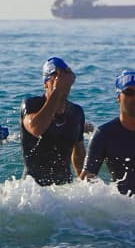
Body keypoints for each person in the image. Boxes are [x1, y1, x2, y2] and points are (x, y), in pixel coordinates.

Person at [20, 57, 87, 185]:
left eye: (63, 75)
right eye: (55, 76)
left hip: (64, 187)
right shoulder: (31, 104)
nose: (60, 80)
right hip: (34, 190)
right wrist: (57, 91)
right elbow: (36, 128)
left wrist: (85, 183)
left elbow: (78, 154)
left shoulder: (76, 112)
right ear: (45, 83)